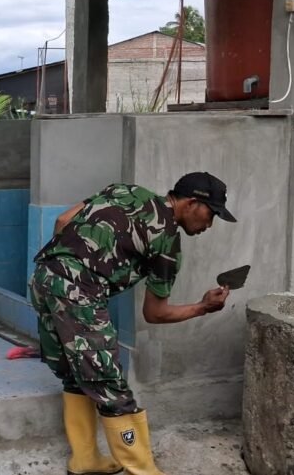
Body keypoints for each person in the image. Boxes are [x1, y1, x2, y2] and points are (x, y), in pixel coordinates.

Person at [29, 172, 235, 475]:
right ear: (192, 203)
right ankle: (143, 470)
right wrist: (203, 307)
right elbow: (156, 313)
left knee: (76, 375)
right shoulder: (166, 242)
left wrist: (68, 265)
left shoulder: (125, 191)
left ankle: (85, 460)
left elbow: (62, 220)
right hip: (78, 292)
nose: (210, 224)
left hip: (44, 277)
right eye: (211, 213)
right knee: (112, 388)